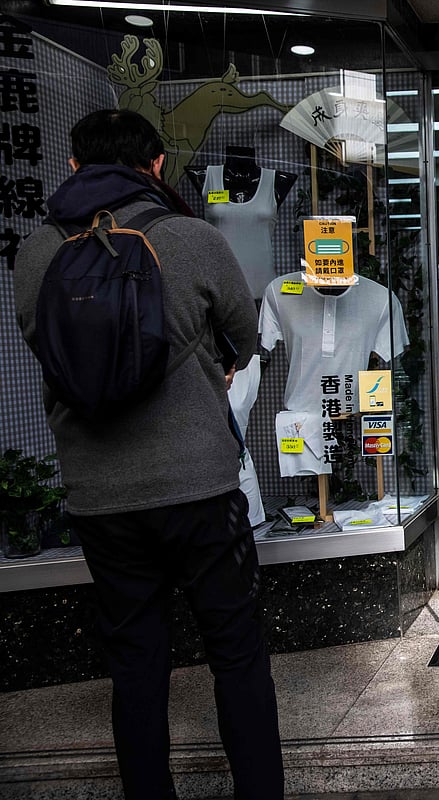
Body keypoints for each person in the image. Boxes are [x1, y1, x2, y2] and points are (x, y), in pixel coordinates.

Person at [12, 109, 284, 798]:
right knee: (238, 653)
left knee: (134, 663)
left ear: (74, 166)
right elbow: (245, 335)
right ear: (157, 165)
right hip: (200, 489)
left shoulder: (37, 253)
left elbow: (45, 345)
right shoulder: (191, 238)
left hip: (101, 496)